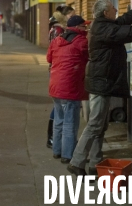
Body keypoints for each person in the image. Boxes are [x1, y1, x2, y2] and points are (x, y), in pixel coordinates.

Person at [67, 0, 132, 176]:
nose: (116, 10)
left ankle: (95, 163)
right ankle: (76, 162)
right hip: (101, 83)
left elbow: (122, 21)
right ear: (106, 12)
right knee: (95, 124)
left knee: (100, 125)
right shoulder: (104, 29)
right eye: (113, 8)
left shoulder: (103, 24)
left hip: (102, 82)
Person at [47, 15, 90, 163]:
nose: (86, 28)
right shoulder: (81, 41)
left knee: (59, 120)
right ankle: (68, 155)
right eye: (84, 26)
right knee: (70, 123)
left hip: (55, 86)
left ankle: (57, 151)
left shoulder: (56, 40)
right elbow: (90, 56)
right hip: (70, 88)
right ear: (78, 28)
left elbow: (49, 59)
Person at [46, 5, 66, 148]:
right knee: (59, 106)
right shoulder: (58, 30)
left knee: (58, 105)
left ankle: (53, 138)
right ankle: (52, 137)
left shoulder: (54, 28)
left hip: (55, 69)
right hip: (59, 70)